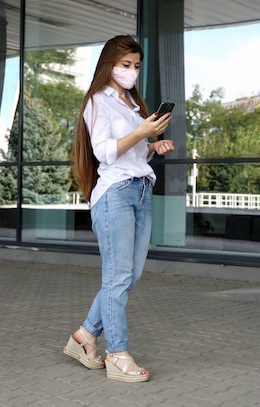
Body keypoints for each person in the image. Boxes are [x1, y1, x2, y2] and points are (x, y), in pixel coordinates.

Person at [63, 35, 175, 382]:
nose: (131, 72)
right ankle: (118, 354)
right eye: (125, 65)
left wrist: (153, 145)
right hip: (115, 194)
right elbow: (105, 153)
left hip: (141, 190)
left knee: (129, 276)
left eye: (136, 66)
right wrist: (142, 131)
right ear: (109, 64)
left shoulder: (132, 104)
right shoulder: (98, 102)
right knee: (117, 277)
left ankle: (84, 336)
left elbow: (133, 153)